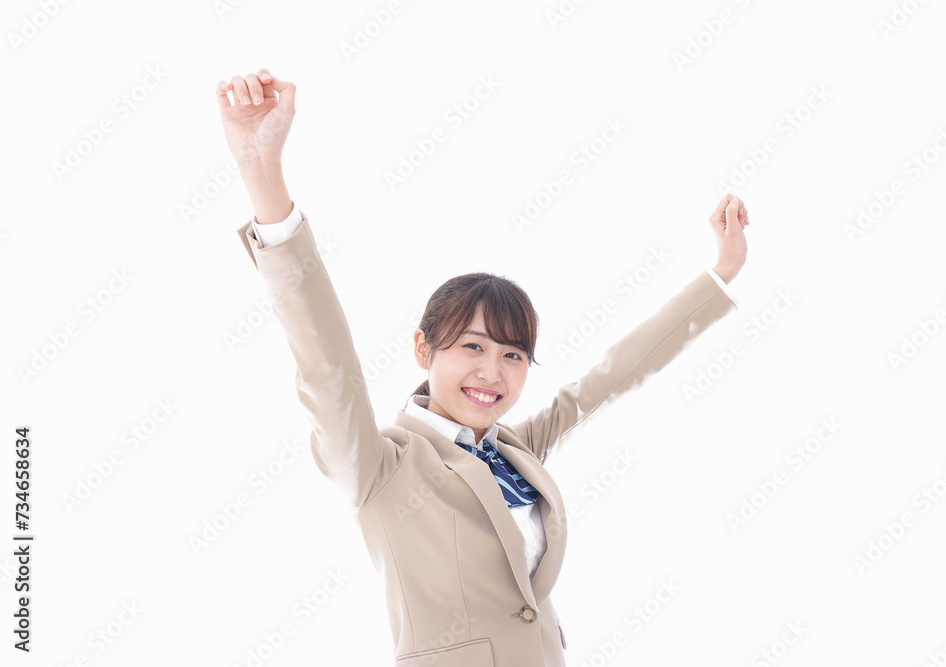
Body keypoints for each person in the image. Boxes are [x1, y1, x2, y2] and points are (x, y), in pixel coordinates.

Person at [217, 68, 750, 667]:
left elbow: (611, 377)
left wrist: (721, 274)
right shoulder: (379, 464)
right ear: (424, 350)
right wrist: (263, 173)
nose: (493, 373)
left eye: (513, 354)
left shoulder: (518, 450)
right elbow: (327, 366)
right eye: (472, 347)